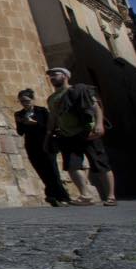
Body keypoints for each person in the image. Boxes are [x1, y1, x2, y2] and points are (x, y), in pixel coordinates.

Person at [44, 67, 117, 206]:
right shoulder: (51, 98)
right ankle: (85, 195)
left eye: (55, 74)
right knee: (72, 166)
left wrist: (99, 124)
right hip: (66, 135)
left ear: (65, 76)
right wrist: (48, 135)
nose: (52, 77)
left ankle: (111, 196)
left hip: (87, 132)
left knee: (100, 164)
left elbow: (95, 107)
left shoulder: (80, 89)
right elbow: (53, 117)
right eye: (51, 76)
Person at [14, 89, 89, 207]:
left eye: (27, 100)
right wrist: (23, 123)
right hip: (32, 145)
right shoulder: (19, 114)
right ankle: (53, 195)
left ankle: (62, 197)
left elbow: (49, 126)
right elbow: (20, 132)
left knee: (52, 170)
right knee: (41, 171)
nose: (25, 103)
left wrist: (35, 123)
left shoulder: (42, 111)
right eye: (22, 101)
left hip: (46, 144)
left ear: (33, 100)